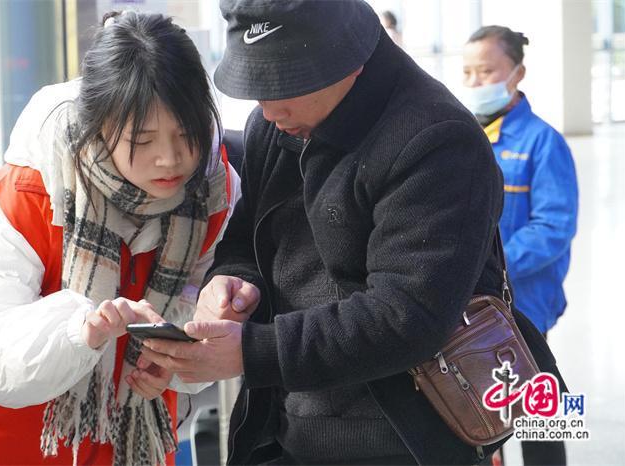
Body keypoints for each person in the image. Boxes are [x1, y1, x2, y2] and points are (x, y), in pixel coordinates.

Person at [139, 1, 566, 465]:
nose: (268, 107)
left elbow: (406, 315)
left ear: (348, 55)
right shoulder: (275, 126)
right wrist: (232, 282)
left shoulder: (439, 140)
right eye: (257, 85)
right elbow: (245, 238)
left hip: (400, 440)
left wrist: (253, 352)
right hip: (282, 427)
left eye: (286, 83)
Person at [0, 11, 240, 466]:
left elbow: (190, 312)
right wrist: (79, 331)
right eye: (143, 140)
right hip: (9, 448)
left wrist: (183, 353)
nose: (170, 158)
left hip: (130, 447)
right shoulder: (35, 189)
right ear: (99, 126)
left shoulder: (213, 193)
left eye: (186, 133)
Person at [461, 25, 579, 466]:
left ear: (518, 73)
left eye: (487, 71)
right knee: (482, 414)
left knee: (538, 414)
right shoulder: (464, 137)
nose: (476, 82)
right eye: (468, 72)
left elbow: (553, 227)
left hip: (525, 304)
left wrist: (493, 265)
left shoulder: (542, 142)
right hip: (475, 304)